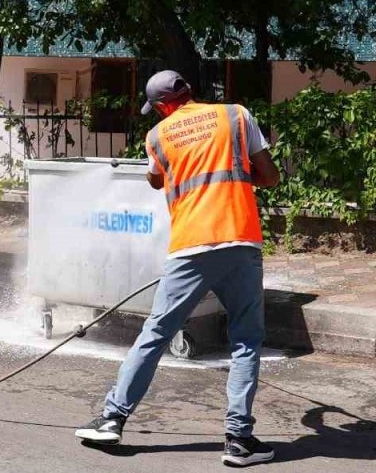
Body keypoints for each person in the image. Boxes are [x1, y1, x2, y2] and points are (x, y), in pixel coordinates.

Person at [74, 70, 281, 467]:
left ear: (164, 106)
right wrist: (239, 174)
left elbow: (155, 181)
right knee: (245, 341)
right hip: (239, 240)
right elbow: (269, 176)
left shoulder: (157, 136)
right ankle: (239, 441)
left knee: (155, 333)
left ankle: (112, 419)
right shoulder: (236, 115)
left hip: (190, 246)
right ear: (189, 92)